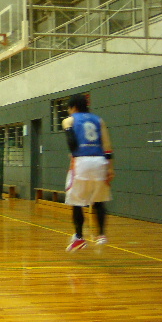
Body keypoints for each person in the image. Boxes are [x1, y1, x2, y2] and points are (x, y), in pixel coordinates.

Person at [62, 93, 114, 252]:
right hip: (100, 161)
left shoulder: (69, 120)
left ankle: (79, 237)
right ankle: (101, 234)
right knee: (99, 200)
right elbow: (107, 146)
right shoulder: (99, 120)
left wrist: (73, 155)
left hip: (82, 162)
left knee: (76, 201)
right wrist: (110, 168)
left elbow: (72, 143)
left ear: (73, 107)